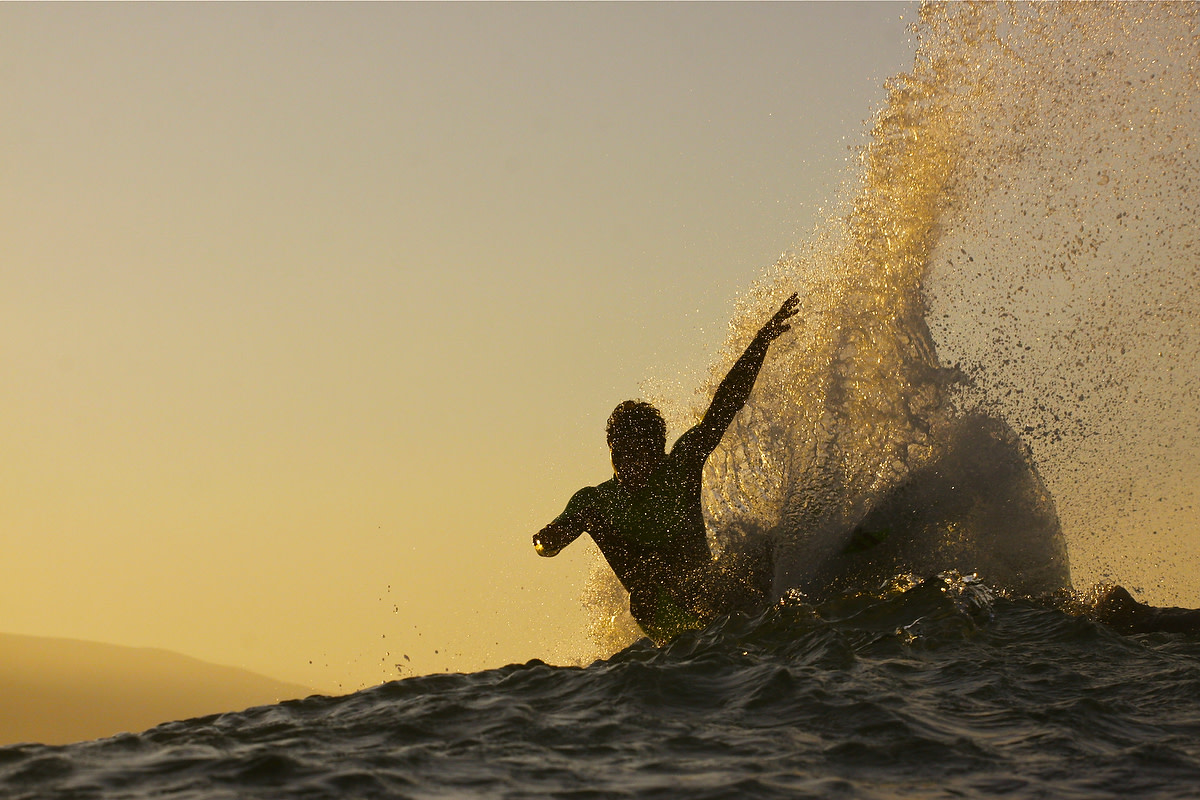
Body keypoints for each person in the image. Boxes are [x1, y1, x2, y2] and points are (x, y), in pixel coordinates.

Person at [533, 293, 800, 643]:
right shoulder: (593, 502)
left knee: (758, 551)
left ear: (657, 452)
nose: (630, 464)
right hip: (664, 612)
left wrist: (761, 340)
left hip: (711, 595)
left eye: (639, 453)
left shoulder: (680, 466)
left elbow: (726, 403)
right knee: (638, 590)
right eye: (622, 453)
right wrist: (545, 541)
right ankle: (687, 644)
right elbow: (545, 546)